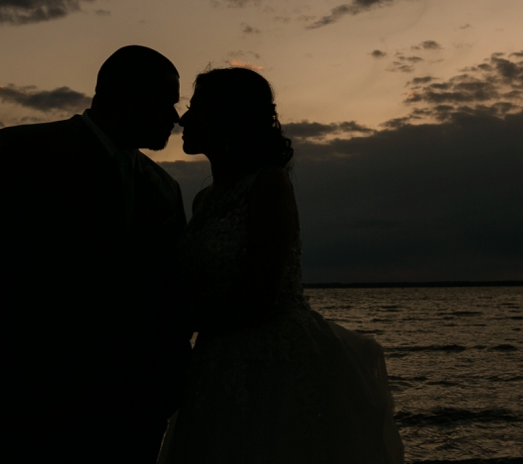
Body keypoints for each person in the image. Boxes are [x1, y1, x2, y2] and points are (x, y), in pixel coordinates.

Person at [0, 46, 190, 463]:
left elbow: (168, 297)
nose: (175, 117)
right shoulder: (24, 152)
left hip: (130, 421)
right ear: (122, 95)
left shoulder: (165, 188)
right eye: (165, 101)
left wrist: (163, 392)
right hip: (23, 419)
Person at [157, 67, 404, 464]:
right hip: (213, 363)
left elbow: (262, 293)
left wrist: (177, 319)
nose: (183, 119)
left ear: (229, 117)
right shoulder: (204, 202)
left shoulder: (269, 185)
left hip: (272, 363)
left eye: (196, 108)